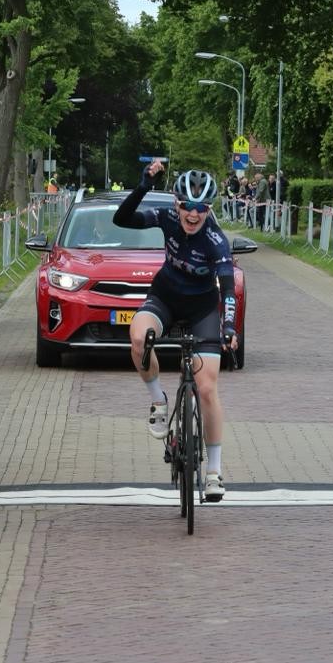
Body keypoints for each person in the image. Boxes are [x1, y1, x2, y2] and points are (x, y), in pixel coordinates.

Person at [113, 161, 236, 502]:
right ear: (176, 203)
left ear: (209, 210)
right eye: (187, 206)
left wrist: (228, 328)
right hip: (165, 296)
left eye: (202, 209)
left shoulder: (215, 241)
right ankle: (158, 401)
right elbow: (121, 220)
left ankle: (213, 471)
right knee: (138, 338)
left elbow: (227, 289)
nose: (193, 215)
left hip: (201, 309)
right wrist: (143, 187)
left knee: (208, 388)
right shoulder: (166, 218)